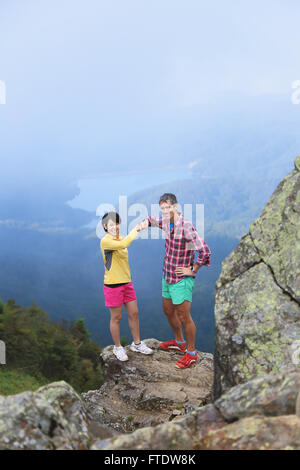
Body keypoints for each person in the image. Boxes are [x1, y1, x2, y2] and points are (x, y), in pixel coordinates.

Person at [140, 193, 211, 369]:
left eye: (168, 207)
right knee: (167, 310)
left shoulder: (186, 226)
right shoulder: (165, 221)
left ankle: (192, 353)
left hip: (181, 279)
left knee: (184, 316)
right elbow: (151, 220)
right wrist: (144, 224)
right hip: (167, 275)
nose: (165, 211)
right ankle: (179, 342)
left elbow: (205, 251)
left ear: (176, 207)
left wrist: (193, 270)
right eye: (162, 208)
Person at [100, 211, 153, 361]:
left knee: (134, 313)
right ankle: (118, 347)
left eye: (117, 224)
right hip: (113, 285)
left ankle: (136, 343)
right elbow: (124, 244)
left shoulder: (120, 238)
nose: (115, 227)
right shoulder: (106, 241)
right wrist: (135, 229)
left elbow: (123, 243)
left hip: (127, 283)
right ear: (105, 226)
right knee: (116, 317)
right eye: (111, 224)